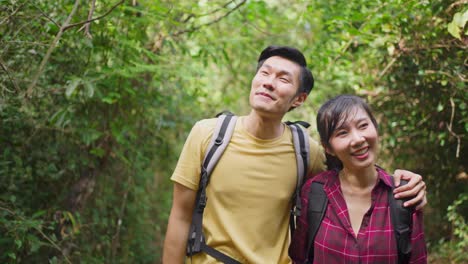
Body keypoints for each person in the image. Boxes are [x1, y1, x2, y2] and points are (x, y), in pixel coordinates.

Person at [162, 46, 427, 263]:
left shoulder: (306, 151)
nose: (268, 83)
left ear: (298, 100)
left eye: (283, 79)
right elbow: (180, 216)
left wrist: (401, 183)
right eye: (264, 73)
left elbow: (352, 173)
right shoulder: (208, 135)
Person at [289, 95, 427, 263]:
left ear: (375, 129)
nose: (358, 139)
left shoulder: (404, 194)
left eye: (363, 126)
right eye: (342, 132)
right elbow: (299, 257)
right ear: (328, 148)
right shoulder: (314, 191)